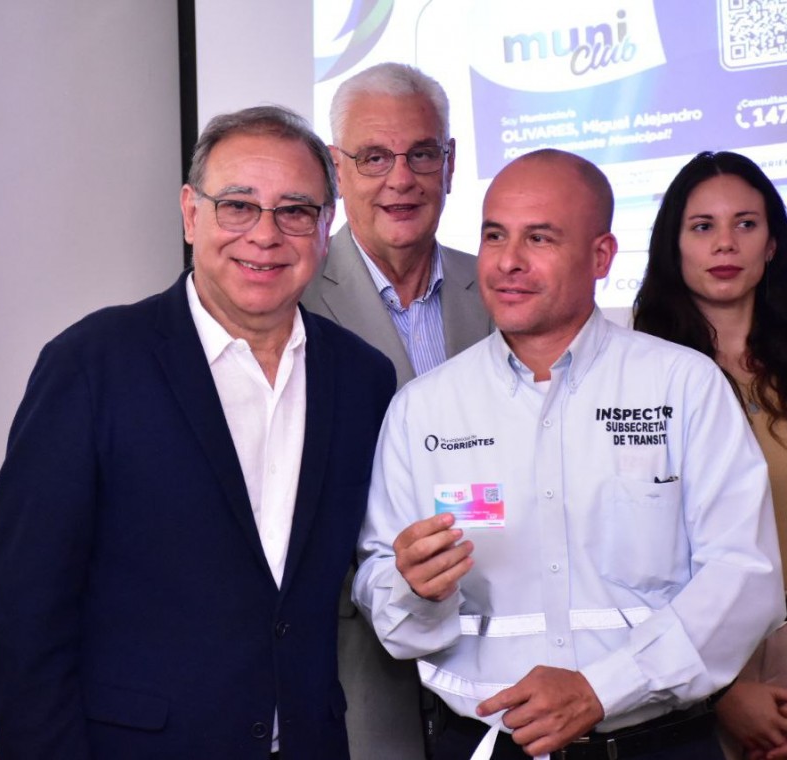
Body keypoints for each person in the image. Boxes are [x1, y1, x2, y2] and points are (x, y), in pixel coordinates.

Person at [0, 105, 396, 759]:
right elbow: (24, 616)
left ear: (326, 228)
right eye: (238, 206)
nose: (265, 235)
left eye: (295, 211)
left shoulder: (362, 379)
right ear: (190, 213)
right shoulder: (90, 366)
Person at [354, 148, 787, 759]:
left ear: (601, 256)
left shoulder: (683, 386)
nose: (507, 261)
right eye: (495, 235)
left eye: (539, 238)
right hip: (485, 744)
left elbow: (743, 578)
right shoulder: (424, 410)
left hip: (655, 744)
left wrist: (601, 689)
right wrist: (413, 591)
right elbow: (387, 605)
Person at [632, 150, 787, 760]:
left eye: (745, 223)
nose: (725, 243)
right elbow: (622, 552)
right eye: (702, 226)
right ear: (673, 248)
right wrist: (721, 693)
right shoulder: (635, 379)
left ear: (771, 245)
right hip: (683, 662)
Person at [301, 62, 493, 760]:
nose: (401, 179)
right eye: (375, 157)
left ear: (451, 163)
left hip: (501, 654)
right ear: (336, 169)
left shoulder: (501, 290)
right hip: (354, 665)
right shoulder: (291, 299)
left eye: (422, 154)